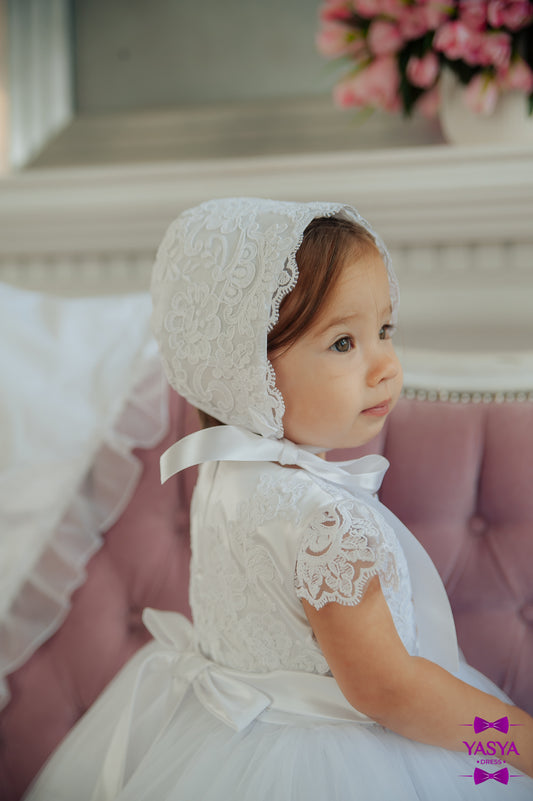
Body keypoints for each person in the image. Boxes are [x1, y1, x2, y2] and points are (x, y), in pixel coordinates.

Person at [24, 198, 533, 800]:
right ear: (249, 369)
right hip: (342, 766)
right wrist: (515, 740)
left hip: (224, 744)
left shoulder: (220, 476)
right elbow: (389, 691)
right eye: (344, 343)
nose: (385, 366)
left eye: (384, 330)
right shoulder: (327, 520)